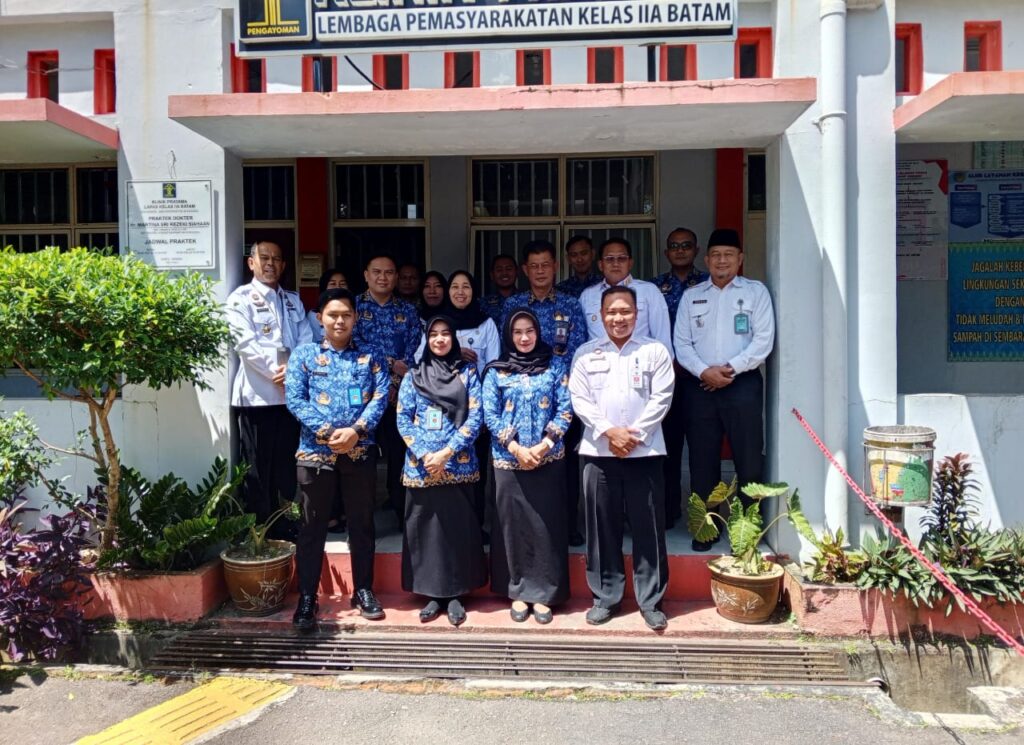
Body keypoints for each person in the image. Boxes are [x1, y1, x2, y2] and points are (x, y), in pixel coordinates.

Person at [569, 286, 675, 631]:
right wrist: (609, 432)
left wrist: (633, 435)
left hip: (645, 452)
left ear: (637, 314)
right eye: (612, 312)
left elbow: (662, 397)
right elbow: (579, 399)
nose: (619, 318)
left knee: (649, 527)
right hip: (598, 452)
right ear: (601, 316)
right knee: (601, 528)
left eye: (625, 311)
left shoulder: (654, 351)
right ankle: (606, 598)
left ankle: (651, 601)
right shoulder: (586, 354)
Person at [285, 288, 389, 629]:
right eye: (333, 315)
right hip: (315, 453)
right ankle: (307, 597)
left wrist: (356, 430)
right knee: (312, 527)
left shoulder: (371, 356)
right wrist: (330, 432)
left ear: (355, 318)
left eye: (346, 315)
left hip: (359, 451)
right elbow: (295, 399)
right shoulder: (304, 356)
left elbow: (380, 396)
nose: (340, 321)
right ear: (320, 319)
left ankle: (363, 590)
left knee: (362, 524)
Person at [673, 228, 776, 551]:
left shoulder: (756, 293)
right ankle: (707, 529)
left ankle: (746, 532)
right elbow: (681, 343)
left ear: (740, 259)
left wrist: (729, 369)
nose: (722, 261)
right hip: (700, 385)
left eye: (728, 255)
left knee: (749, 459)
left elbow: (763, 341)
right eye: (716, 255)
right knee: (702, 460)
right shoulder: (691, 296)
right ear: (706, 260)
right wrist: (705, 371)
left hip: (741, 384)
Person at [483, 309, 572, 624]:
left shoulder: (555, 365)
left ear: (538, 332)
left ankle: (545, 592)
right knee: (514, 526)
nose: (524, 338)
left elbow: (565, 409)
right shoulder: (496, 371)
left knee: (545, 525)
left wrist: (544, 445)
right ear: (509, 335)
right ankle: (518, 590)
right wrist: (516, 448)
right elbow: (490, 414)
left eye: (529, 331)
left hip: (548, 458)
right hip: (509, 460)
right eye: (517, 332)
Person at [396, 316, 487, 626]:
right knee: (426, 531)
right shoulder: (413, 375)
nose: (439, 339)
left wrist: (447, 453)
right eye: (433, 334)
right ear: (427, 339)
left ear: (453, 338)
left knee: (457, 529)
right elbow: (403, 419)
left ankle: (457, 592)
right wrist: (426, 455)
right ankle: (432, 593)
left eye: (445, 333)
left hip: (457, 464)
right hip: (422, 468)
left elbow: (476, 417)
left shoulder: (467, 373)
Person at [501, 239, 588, 546]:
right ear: (525, 270)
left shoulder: (570, 304)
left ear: (556, 267)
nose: (540, 271)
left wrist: (558, 386)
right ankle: (531, 526)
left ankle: (568, 525)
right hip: (522, 397)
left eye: (545, 265)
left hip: (561, 397)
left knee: (565, 465)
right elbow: (507, 350)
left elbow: (578, 351)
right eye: (534, 266)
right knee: (527, 461)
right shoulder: (513, 305)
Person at [226, 240, 312, 530]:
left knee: (285, 464)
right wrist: (276, 371)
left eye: (276, 259)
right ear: (251, 263)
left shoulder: (293, 300)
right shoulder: (240, 299)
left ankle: (285, 523)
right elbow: (245, 344)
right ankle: (260, 529)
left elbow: (306, 338)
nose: (270, 264)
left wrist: (294, 370)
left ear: (284, 265)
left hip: (290, 397)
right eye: (264, 258)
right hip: (257, 397)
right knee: (258, 467)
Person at [415, 270, 501, 529]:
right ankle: (446, 528)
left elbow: (494, 366)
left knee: (475, 471)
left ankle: (474, 527)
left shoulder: (486, 323)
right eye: (455, 286)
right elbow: (420, 360)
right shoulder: (436, 322)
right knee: (442, 465)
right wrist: (455, 351)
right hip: (440, 408)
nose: (460, 292)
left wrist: (485, 411)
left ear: (474, 291)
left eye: (466, 287)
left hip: (475, 409)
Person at [354, 254, 423, 527]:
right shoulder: (353, 307)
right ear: (366, 275)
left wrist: (394, 384)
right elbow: (354, 346)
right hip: (362, 396)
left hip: (399, 396)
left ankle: (401, 513)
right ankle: (361, 517)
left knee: (398, 454)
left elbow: (414, 350)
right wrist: (389, 366)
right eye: (377, 272)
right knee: (362, 455)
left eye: (389, 272)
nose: (383, 277)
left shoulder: (408, 310)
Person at [649, 228, 709, 529]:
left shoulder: (709, 284)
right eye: (674, 246)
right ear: (666, 252)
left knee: (702, 453)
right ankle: (668, 511)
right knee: (668, 451)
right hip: (666, 381)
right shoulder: (653, 287)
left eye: (686, 245)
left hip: (700, 381)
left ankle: (703, 517)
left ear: (696, 250)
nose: (680, 250)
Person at [579, 237, 673, 353]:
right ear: (600, 265)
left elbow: (663, 339)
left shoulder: (649, 291)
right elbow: (580, 340)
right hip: (598, 362)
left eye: (622, 258)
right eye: (609, 259)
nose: (616, 264)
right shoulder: (587, 296)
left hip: (641, 362)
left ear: (630, 263)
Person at [306, 268, 348, 344]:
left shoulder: (354, 310)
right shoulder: (313, 316)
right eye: (333, 284)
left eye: (342, 284)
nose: (338, 287)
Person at [479, 254, 519, 323]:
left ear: (517, 272)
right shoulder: (482, 304)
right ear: (492, 275)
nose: (504, 273)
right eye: (499, 270)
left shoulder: (527, 300)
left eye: (509, 269)